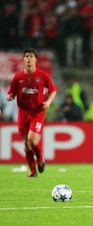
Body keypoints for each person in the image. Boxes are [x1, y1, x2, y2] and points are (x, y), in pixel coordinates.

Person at [6, 48, 57, 177]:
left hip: (37, 112)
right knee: (26, 144)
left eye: (31, 56)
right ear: (23, 59)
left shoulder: (43, 76)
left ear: (35, 59)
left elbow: (52, 90)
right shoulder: (18, 77)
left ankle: (40, 159)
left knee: (32, 140)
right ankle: (32, 170)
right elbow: (11, 93)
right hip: (23, 113)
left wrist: (48, 102)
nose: (28, 59)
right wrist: (10, 97)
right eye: (26, 56)